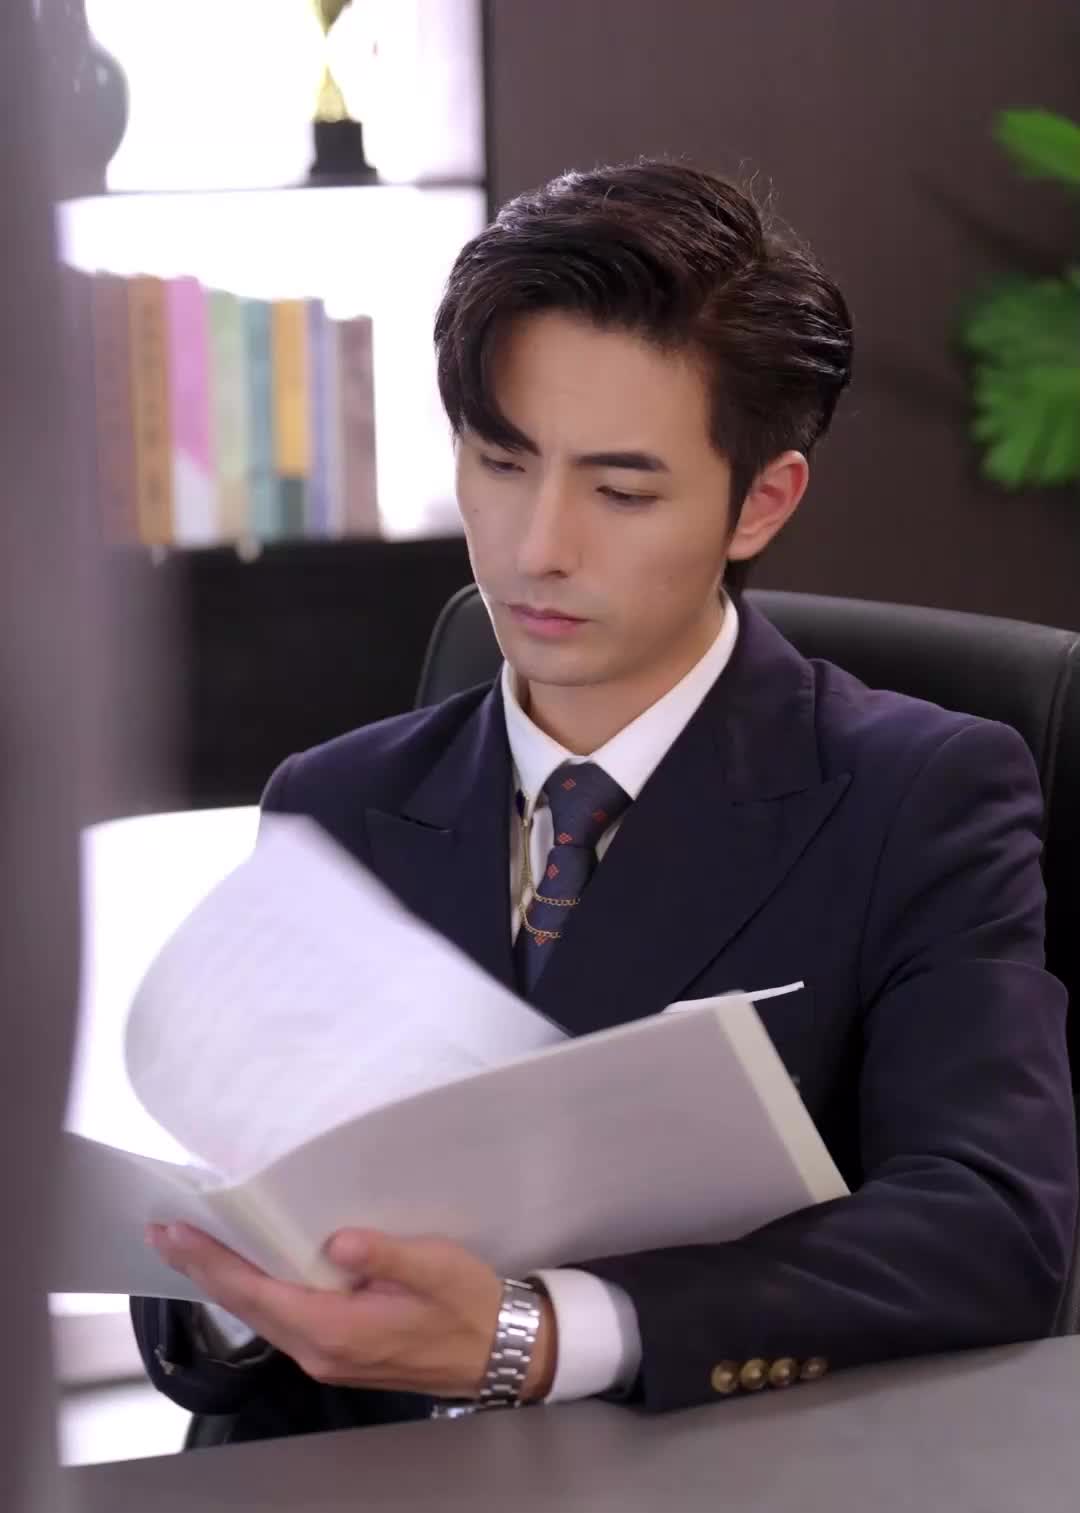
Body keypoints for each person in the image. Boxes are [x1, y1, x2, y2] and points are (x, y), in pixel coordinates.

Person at [132, 159, 1077, 1443]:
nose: (539, 549)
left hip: (718, 1509)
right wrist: (235, 1297)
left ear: (761, 502)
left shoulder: (924, 794)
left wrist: (543, 1333)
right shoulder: (337, 799)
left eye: (622, 492)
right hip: (353, 1510)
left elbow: (992, 1226)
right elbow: (254, 1253)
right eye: (500, 462)